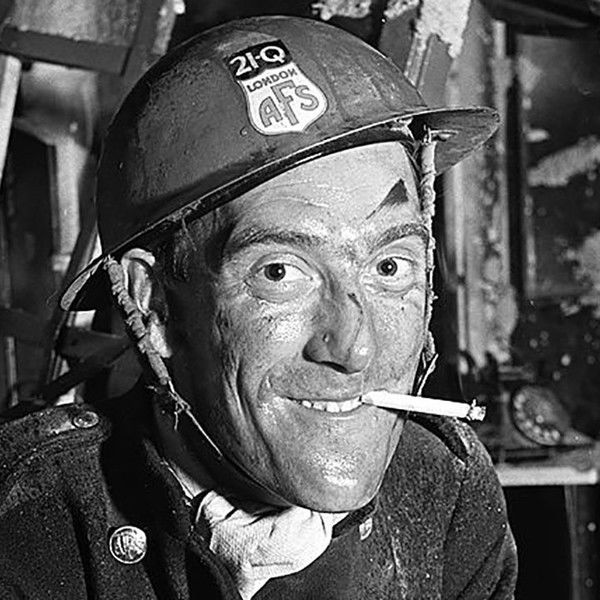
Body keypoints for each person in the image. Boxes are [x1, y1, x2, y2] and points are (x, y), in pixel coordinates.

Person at [0, 16, 517, 600]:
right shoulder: (28, 525)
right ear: (155, 305)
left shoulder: (444, 493)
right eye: (279, 273)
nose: (354, 348)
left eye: (390, 268)